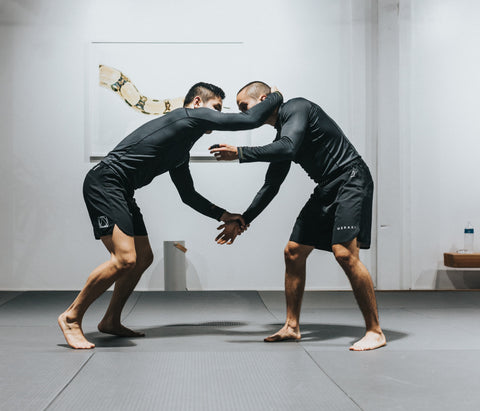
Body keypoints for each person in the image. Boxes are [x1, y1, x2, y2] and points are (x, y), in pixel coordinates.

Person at [58, 82, 283, 349]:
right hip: (105, 182)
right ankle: (71, 317)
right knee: (124, 259)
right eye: (217, 108)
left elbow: (188, 195)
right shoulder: (187, 116)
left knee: (142, 258)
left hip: (122, 190)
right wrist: (277, 95)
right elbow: (250, 119)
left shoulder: (180, 149)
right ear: (197, 103)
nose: (219, 115)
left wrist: (224, 215)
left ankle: (110, 320)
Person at [210, 81, 386, 351]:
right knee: (293, 251)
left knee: (344, 253)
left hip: (350, 178)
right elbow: (272, 185)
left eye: (245, 106)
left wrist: (240, 153)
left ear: (265, 99)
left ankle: (375, 331)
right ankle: (291, 327)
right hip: (327, 186)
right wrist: (244, 219)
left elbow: (289, 148)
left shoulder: (297, 107)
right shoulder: (283, 133)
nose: (245, 113)